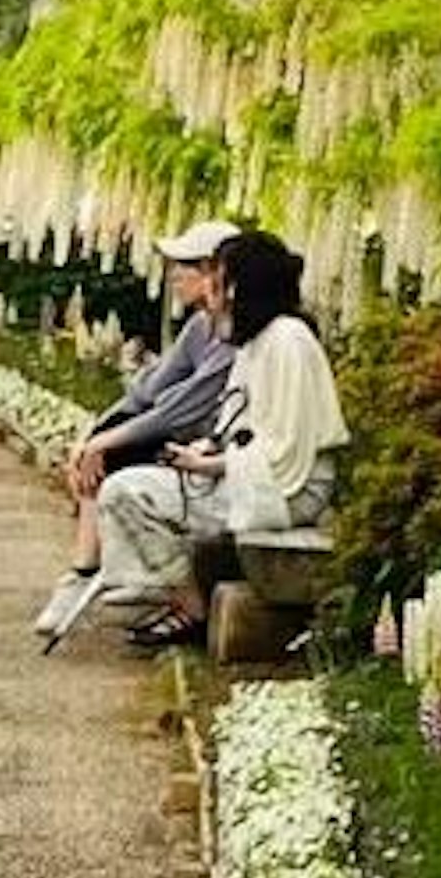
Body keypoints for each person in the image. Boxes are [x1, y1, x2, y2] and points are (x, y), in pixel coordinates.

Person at [83, 229, 347, 646]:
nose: (213, 292)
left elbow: (287, 446)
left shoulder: (288, 341)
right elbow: (238, 424)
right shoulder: (254, 341)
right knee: (128, 487)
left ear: (242, 286)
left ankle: (182, 606)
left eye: (220, 281)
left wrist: (211, 465)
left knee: (126, 493)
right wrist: (204, 450)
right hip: (254, 477)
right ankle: (165, 593)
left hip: (288, 490)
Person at [34, 225, 242, 645]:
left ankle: (90, 573)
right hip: (186, 443)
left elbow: (181, 408)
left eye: (183, 267)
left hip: (209, 452)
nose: (173, 277)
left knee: (111, 456)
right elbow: (147, 391)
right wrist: (93, 436)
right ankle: (87, 569)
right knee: (105, 446)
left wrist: (103, 445)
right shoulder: (200, 327)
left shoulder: (233, 336)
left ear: (212, 274)